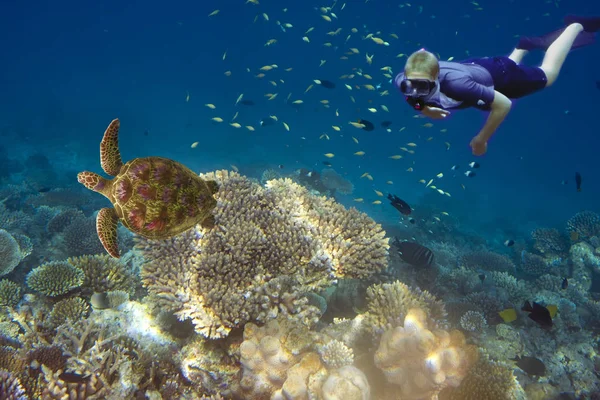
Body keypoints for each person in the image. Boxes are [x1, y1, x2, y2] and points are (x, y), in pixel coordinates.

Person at [393, 15, 600, 156]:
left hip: (500, 76)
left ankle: (576, 26)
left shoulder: (458, 86)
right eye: (410, 85)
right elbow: (412, 97)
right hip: (478, 68)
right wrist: (424, 108)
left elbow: (503, 105)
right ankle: (523, 46)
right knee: (484, 91)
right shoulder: (405, 81)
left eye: (423, 86)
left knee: (549, 75)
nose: (415, 92)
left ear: (436, 77)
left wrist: (481, 139)